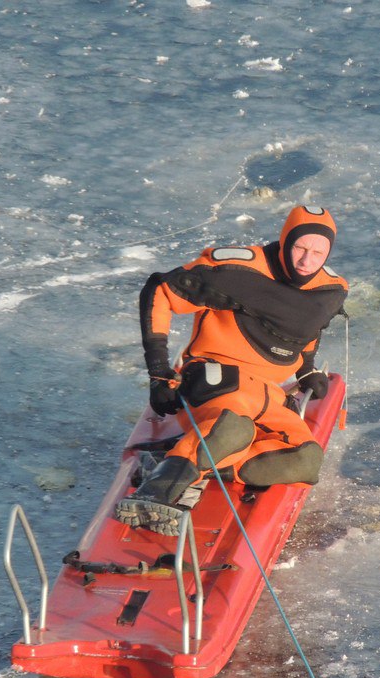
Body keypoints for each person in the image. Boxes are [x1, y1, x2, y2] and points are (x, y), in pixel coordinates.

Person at [116, 205, 349, 535]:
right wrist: (159, 371)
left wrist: (306, 369)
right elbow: (159, 291)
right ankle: (155, 493)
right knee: (233, 431)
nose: (306, 261)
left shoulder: (330, 290)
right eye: (300, 247)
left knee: (306, 460)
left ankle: (182, 465)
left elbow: (311, 326)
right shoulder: (236, 271)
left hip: (268, 394)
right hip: (214, 379)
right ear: (285, 241)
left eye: (318, 252)